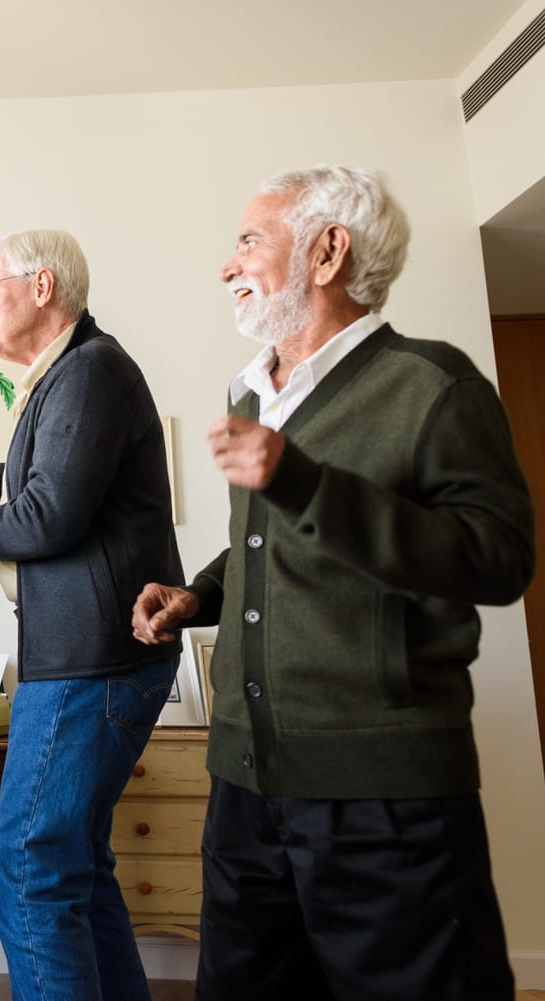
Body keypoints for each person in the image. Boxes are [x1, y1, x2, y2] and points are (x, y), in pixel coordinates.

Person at [131, 166, 534, 1001]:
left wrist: (308, 483)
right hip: (245, 786)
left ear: (327, 251)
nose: (226, 264)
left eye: (248, 239)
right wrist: (198, 595)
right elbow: (269, 538)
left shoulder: (433, 384)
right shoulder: (251, 390)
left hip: (384, 794)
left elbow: (498, 557)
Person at [0, 230, 183, 1001]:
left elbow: (45, 515)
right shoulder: (71, 373)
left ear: (42, 287)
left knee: (25, 866)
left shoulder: (90, 373)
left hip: (94, 661)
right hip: (95, 657)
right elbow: (18, 475)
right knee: (73, 866)